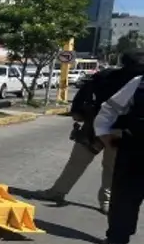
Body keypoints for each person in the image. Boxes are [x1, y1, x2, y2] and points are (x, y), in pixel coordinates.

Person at [36, 50, 144, 214]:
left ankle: (62, 193)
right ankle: (96, 200)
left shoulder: (126, 79)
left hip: (109, 128)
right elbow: (86, 91)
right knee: (104, 166)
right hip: (103, 128)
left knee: (100, 165)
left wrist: (77, 111)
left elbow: (85, 91)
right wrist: (78, 110)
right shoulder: (121, 78)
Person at [94, 55, 144, 244]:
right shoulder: (139, 83)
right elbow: (110, 108)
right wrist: (104, 133)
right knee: (124, 197)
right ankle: (117, 238)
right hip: (136, 149)